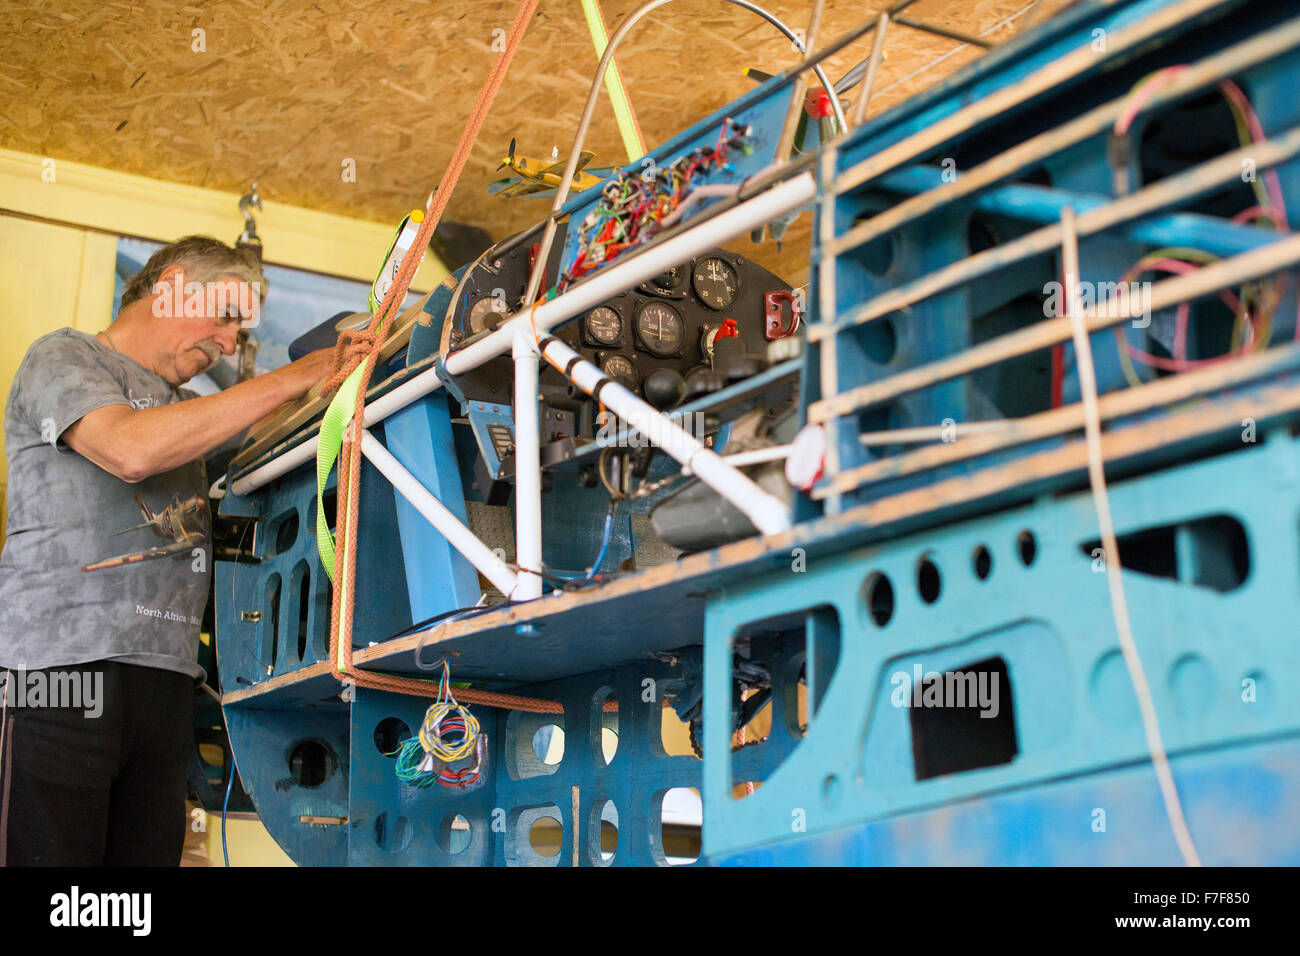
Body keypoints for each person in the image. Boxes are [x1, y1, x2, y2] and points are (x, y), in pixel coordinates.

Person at [0, 235, 334, 865]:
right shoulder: (65, 357)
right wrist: (293, 378)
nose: (232, 342)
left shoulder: (189, 413)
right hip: (59, 672)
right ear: (174, 284)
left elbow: (255, 443)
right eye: (229, 316)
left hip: (166, 681)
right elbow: (131, 450)